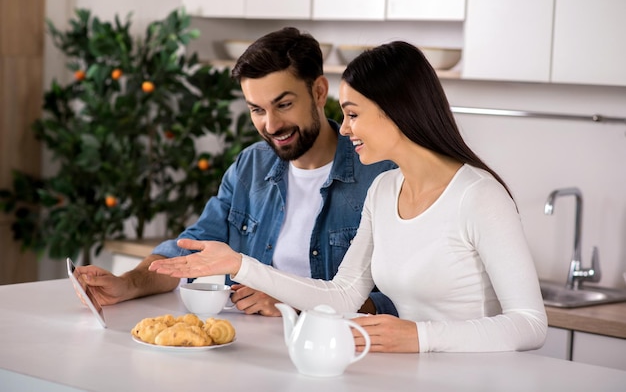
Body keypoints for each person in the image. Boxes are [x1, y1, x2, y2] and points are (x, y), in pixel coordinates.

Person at [149, 41, 548, 353]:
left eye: (354, 114)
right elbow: (341, 296)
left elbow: (530, 324)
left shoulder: (478, 196)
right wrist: (240, 264)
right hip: (409, 373)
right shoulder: (385, 190)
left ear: (395, 111)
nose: (344, 129)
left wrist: (420, 338)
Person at [73, 27, 397, 317]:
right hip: (248, 349)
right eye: (257, 109)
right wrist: (126, 284)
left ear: (319, 92)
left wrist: (293, 303)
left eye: (283, 105)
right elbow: (191, 251)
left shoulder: (379, 176)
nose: (271, 125)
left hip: (334, 356)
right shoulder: (251, 167)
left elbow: (399, 301)